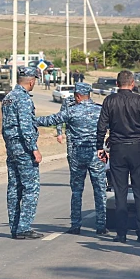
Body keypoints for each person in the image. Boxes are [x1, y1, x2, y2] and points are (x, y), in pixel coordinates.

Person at [36, 83, 107, 235]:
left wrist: (30, 119)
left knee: (76, 191)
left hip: (77, 156)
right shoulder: (100, 110)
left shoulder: (72, 111)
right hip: (96, 154)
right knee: (99, 190)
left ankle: (76, 225)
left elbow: (50, 120)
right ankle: (101, 225)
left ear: (77, 96)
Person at [97, 70, 140, 243]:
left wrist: (100, 147)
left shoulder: (109, 101)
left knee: (120, 192)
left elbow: (101, 126)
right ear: (133, 83)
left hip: (118, 149)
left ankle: (121, 233)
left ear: (116, 83)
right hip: (137, 149)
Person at [2, 67, 44, 240]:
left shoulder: (8, 98)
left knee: (14, 188)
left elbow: (6, 126)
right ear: (31, 80)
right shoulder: (23, 99)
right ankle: (24, 227)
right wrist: (34, 148)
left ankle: (15, 226)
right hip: (24, 149)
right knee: (31, 187)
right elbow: (26, 127)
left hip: (11, 148)